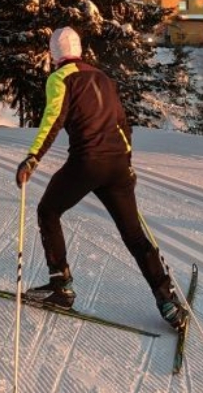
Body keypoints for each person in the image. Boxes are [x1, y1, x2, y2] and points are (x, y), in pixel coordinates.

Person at [14, 26, 188, 330]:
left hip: (87, 163)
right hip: (118, 164)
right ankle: (167, 300)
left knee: (49, 210)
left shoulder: (59, 79)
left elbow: (52, 120)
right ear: (80, 50)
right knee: (134, 235)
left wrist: (33, 158)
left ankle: (61, 287)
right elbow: (123, 125)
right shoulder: (103, 78)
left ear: (54, 54)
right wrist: (128, 162)